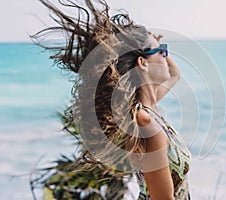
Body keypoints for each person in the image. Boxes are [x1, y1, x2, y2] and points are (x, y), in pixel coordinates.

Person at [33, 0, 192, 199]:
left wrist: (155, 45)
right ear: (142, 63)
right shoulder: (148, 126)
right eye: (161, 53)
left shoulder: (149, 108)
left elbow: (175, 73)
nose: (165, 56)